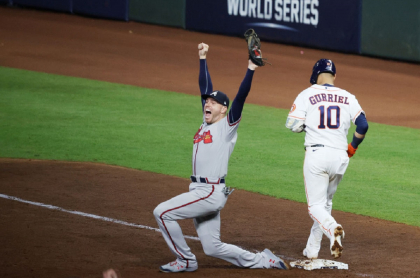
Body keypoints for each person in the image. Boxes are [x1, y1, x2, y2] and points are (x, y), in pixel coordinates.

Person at [153, 43, 289, 273]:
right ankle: (263, 260)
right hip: (200, 190)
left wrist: (251, 68)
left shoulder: (226, 127)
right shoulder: (205, 123)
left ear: (223, 110)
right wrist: (202, 57)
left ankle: (186, 260)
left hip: (208, 193)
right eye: (207, 101)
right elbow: (204, 87)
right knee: (212, 247)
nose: (208, 103)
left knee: (162, 212)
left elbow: (241, 98)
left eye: (214, 102)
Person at [285, 59, 369, 259]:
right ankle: (312, 249)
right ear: (334, 76)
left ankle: (333, 228)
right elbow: (363, 125)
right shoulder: (348, 97)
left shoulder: (307, 94)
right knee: (326, 204)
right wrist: (353, 147)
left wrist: (307, 126)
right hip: (340, 156)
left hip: (317, 155)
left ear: (315, 75)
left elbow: (292, 124)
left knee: (315, 206)